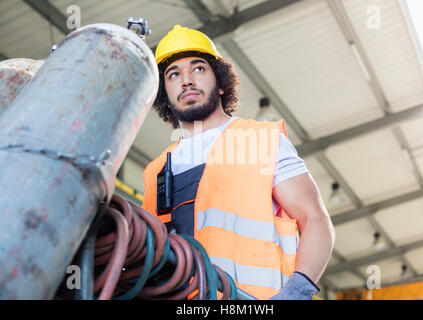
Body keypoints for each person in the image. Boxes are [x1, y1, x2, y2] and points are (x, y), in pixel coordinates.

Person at [142, 25, 335, 300]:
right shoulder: (155, 173)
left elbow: (315, 218)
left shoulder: (262, 141)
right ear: (164, 93)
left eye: (198, 68)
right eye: (174, 74)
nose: (186, 80)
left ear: (220, 83)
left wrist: (298, 290)